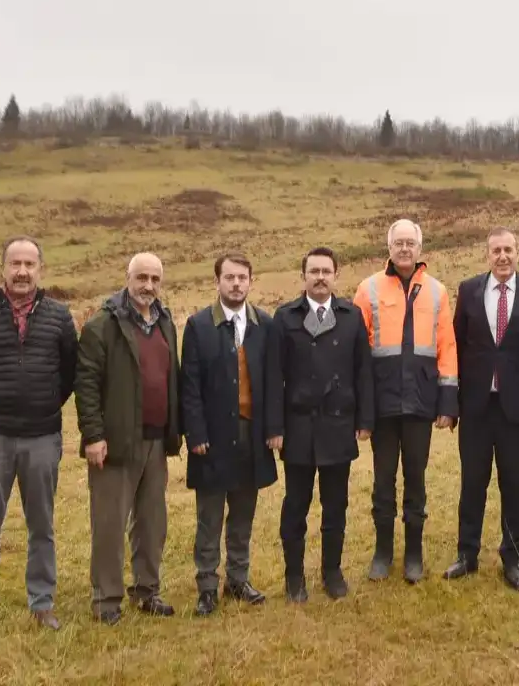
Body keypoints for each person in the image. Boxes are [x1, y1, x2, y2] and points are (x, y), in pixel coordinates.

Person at [0, 235, 77, 635]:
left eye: (30, 265)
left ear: (41, 270)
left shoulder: (60, 317)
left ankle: (41, 603)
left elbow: (69, 375)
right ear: (3, 269)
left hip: (42, 437)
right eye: (15, 264)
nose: (22, 272)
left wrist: (42, 405)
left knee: (42, 525)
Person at [74, 252, 181, 624]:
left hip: (155, 441)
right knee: (109, 523)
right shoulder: (102, 325)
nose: (148, 286)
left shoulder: (165, 322)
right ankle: (106, 600)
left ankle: (147, 591)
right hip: (115, 443)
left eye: (155, 279)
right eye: (141, 278)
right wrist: (93, 435)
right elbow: (85, 384)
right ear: (127, 278)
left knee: (152, 522)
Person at [353, 218, 458, 584]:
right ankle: (383, 553)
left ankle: (414, 554)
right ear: (388, 247)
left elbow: (446, 346)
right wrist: (360, 408)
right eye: (398, 242)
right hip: (381, 405)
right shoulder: (367, 290)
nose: (404, 248)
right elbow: (357, 351)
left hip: (420, 404)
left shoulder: (437, 292)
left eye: (410, 242)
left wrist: (447, 403)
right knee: (383, 482)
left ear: (420, 248)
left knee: (416, 479)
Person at [443, 227, 519, 591]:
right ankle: (466, 555)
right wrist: (452, 403)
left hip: (515, 408)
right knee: (472, 482)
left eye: (508, 250)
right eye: (495, 251)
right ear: (486, 255)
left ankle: (513, 558)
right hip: (475, 406)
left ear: (518, 252)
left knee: (513, 485)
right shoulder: (469, 290)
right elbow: (455, 347)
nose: (502, 256)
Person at [267, 247, 374, 602]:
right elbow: (273, 377)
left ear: (335, 275)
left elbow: (363, 372)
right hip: (297, 428)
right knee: (295, 505)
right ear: (304, 277)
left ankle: (332, 572)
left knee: (336, 504)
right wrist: (275, 427)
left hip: (338, 426)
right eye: (313, 271)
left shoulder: (352, 317)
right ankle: (294, 577)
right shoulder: (284, 318)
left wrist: (365, 420)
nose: (320, 277)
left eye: (326, 271)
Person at [182, 252, 279, 616]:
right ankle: (207, 585)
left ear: (251, 281)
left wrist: (273, 429)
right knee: (209, 516)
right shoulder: (198, 326)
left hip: (251, 436)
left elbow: (272, 382)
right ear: (217, 282)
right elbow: (190, 386)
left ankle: (237, 580)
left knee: (243, 513)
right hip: (211, 438)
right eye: (229, 278)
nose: (236, 284)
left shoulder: (265, 325)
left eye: (242, 278)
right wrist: (195, 433)